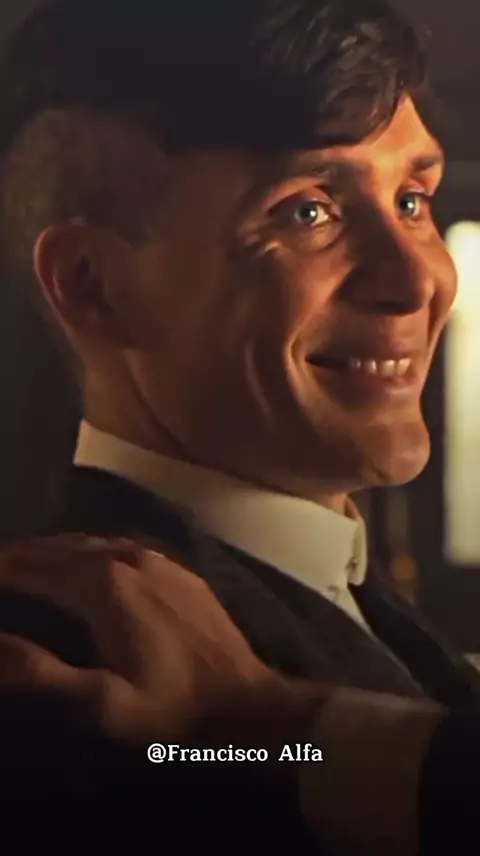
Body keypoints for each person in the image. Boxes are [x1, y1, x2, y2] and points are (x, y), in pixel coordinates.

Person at [0, 0, 478, 851]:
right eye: (306, 212)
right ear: (92, 285)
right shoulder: (79, 673)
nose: (418, 281)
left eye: (412, 200)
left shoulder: (354, 602)